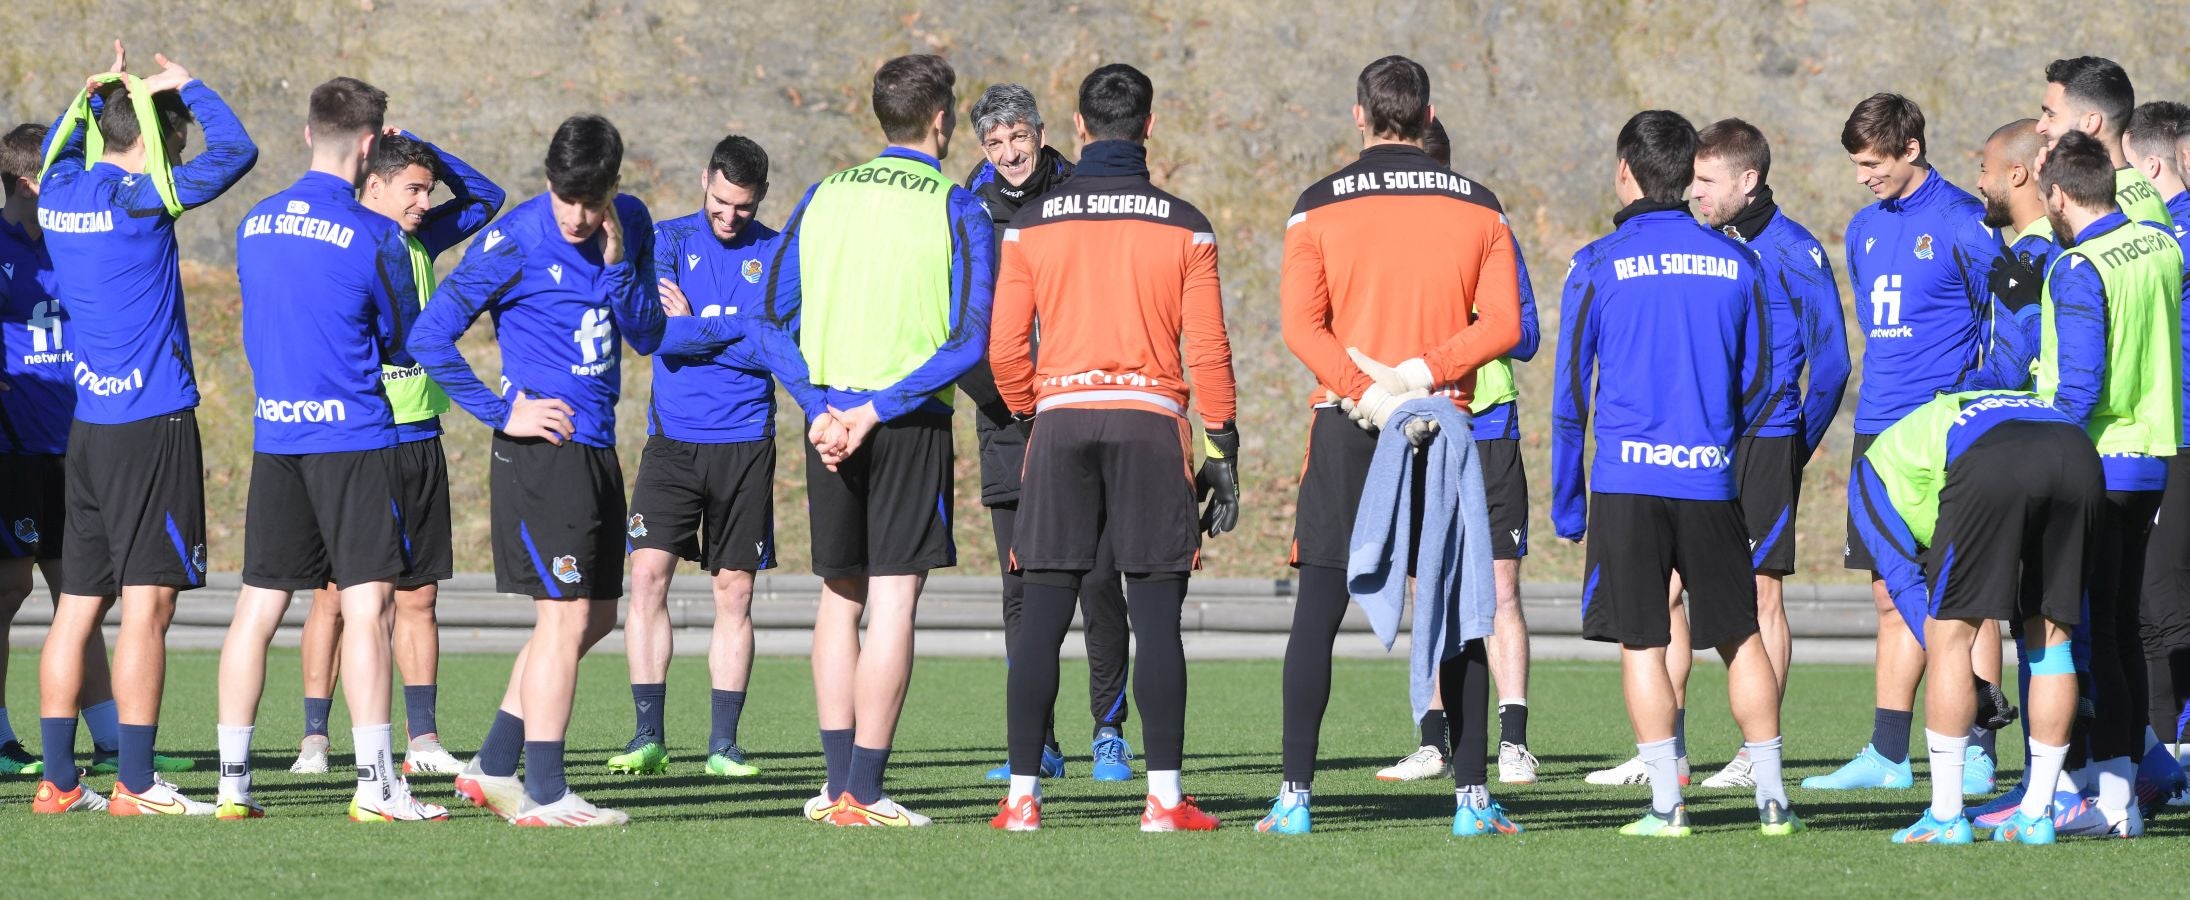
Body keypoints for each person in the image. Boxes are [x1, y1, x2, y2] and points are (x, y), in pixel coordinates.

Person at [727, 54, 995, 828]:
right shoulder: (956, 204)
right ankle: (868, 792)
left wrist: (820, 408)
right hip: (903, 421)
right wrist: (875, 410)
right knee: (893, 598)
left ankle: (834, 785)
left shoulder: (824, 195)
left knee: (839, 595)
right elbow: (968, 340)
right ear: (941, 121)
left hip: (828, 425)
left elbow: (766, 319)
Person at [1264, 56, 1522, 837]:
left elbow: (1301, 327)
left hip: (1352, 425)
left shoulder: (1316, 207)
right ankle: (1473, 800)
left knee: (1318, 607)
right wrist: (1424, 372)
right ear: (1429, 114)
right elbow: (1503, 326)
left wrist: (1371, 390)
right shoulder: (1481, 206)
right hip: (1443, 422)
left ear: (1359, 116)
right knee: (1457, 605)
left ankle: (1296, 799)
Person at [986, 62, 1237, 834]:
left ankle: (1022, 799)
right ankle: (1163, 799)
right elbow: (1210, 349)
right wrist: (1221, 446)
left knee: (1040, 618)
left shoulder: (1033, 223)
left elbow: (1003, 351)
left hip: (1061, 420)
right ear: (1150, 127)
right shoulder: (1186, 223)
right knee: (1155, 619)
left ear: (1080, 129)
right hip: (1149, 420)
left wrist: (1040, 414)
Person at [1552, 109, 1797, 838]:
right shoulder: (1737, 260)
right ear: (1689, 174)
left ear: (1626, 172)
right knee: (1740, 636)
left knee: (1645, 640)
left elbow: (1571, 397)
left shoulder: (1597, 262)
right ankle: (1773, 800)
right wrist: (1711, 433)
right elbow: (1760, 377)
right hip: (1710, 478)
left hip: (1628, 481)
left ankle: (1668, 805)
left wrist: (1570, 505)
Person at [415, 114, 662, 827]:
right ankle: (546, 793)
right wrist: (502, 412)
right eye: (565, 200)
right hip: (541, 454)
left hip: (597, 448)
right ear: (548, 183)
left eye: (591, 201)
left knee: (598, 617)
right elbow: (430, 334)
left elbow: (646, 334)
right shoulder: (515, 238)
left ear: (614, 187)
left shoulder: (631, 223)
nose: (578, 217)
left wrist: (618, 269)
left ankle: (492, 764)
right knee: (562, 617)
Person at [212, 76, 447, 822]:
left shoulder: (253, 222)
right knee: (368, 607)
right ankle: (378, 784)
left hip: (277, 434)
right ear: (372, 145)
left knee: (257, 608)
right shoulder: (378, 235)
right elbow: (401, 343)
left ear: (310, 132)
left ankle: (232, 783)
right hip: (351, 440)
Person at [32, 43, 257, 816]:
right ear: (156, 142)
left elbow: (62, 145)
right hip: (150, 425)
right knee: (148, 605)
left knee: (76, 608)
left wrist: (92, 89)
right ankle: (134, 783)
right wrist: (189, 84)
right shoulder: (143, 195)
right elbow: (239, 152)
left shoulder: (57, 188)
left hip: (89, 429)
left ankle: (59, 783)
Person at [1619, 118, 1848, 792]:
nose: (1695, 194)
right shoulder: (1702, 245)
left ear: (1749, 182)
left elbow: (1831, 365)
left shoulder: (1793, 251)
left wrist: (1793, 446)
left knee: (1758, 595)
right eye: (1691, 181)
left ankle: (1757, 752)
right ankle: (1668, 749)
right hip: (1701, 441)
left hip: (1768, 440)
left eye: (1708, 182)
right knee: (1665, 590)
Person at [290, 128, 504, 778]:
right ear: (374, 184)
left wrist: (417, 142)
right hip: (356, 439)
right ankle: (316, 739)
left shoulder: (419, 236)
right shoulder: (346, 237)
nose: (423, 200)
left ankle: (425, 740)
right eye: (412, 188)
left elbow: (485, 196)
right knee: (334, 595)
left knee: (418, 597)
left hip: (417, 438)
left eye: (427, 189)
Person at [1810, 93, 2005, 792]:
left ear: (1911, 149)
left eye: (1873, 162)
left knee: (1966, 593)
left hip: (1945, 436)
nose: (1864, 175)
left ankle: (1978, 744)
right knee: (1890, 595)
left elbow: (2002, 317)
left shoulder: (1963, 220)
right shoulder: (1863, 228)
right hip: (1877, 434)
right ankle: (1888, 753)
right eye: (1857, 163)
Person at [958, 82, 1136, 785]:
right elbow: (958, 333)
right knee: (1024, 591)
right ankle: (1038, 744)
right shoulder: (966, 213)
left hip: (1081, 409)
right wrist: (1014, 407)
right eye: (994, 143)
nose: (1009, 154)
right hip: (1005, 418)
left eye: (1017, 138)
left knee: (1097, 581)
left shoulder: (1080, 195)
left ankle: (1110, 733)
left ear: (1040, 131)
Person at [1850, 390, 2100, 846]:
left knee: (1949, 636)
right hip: (2078, 450)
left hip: (1993, 459)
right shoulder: (1941, 419)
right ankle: (2036, 816)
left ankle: (1945, 817)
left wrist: (1961, 671)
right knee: (2051, 641)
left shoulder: (1867, 476)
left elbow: (1904, 584)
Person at [1376, 115, 1543, 787]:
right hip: (1417, 431)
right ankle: (1432, 739)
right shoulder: (1385, 238)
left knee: (1501, 587)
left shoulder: (1485, 225)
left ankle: (1513, 741)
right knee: (1426, 590)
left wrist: (1464, 329)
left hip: (1489, 426)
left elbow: (1524, 330)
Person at [607, 134, 780, 781]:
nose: (729, 216)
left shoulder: (774, 249)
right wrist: (736, 325)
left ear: (758, 198)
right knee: (647, 576)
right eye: (720, 200)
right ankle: (648, 734)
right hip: (673, 445)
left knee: (734, 591)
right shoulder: (669, 240)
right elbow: (660, 337)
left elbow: (772, 344)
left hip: (745, 444)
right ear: (704, 178)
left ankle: (723, 745)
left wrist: (700, 327)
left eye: (742, 206)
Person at [2027, 130, 2183, 838]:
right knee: (2120, 629)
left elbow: (2081, 382)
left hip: (2099, 461)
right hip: (2152, 457)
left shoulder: (2076, 265)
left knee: (2085, 633)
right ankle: (2116, 792)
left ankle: (2106, 797)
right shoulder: (2157, 244)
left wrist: (2039, 438)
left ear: (2056, 194)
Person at [2126, 101, 2190, 763]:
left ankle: (2173, 751)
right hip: (2160, 432)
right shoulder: (2157, 233)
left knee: (2161, 601)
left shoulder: (2170, 238)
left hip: (2179, 435)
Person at [2037, 57, 2173, 228]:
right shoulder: (2144, 187)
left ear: (2090, 122)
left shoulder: (2097, 208)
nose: (2039, 127)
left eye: (2051, 115)